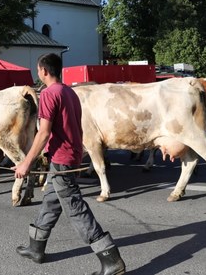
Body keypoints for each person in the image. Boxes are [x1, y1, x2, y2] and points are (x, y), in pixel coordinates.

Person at [13, 53, 125, 275]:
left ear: (44, 71)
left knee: (75, 208)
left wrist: (26, 163)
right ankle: (36, 249)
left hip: (62, 159)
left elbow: (44, 133)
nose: (38, 73)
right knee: (51, 202)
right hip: (69, 156)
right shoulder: (70, 92)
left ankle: (111, 260)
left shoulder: (48, 94)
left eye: (38, 70)